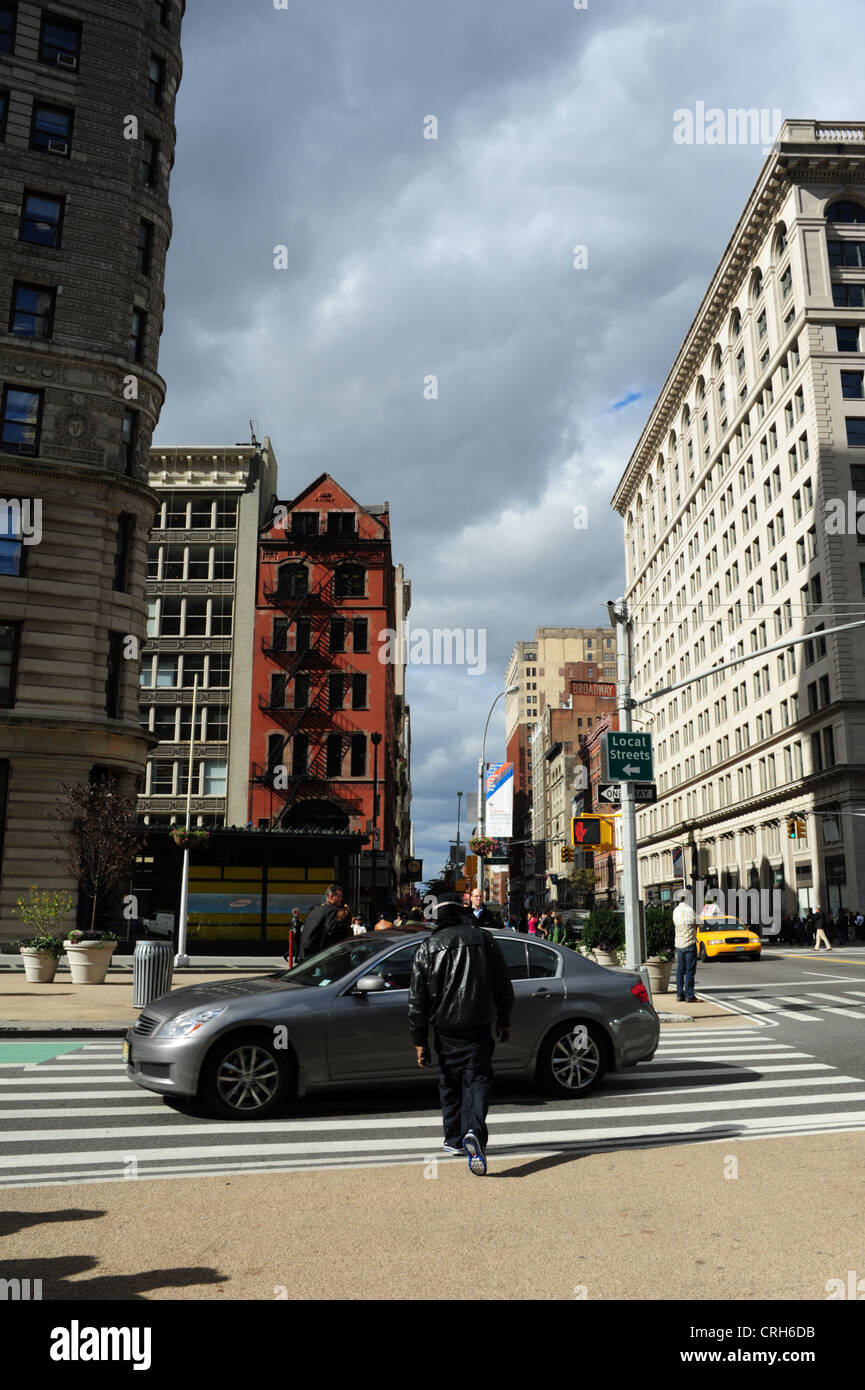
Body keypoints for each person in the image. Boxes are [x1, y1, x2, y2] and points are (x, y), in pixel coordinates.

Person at [408, 900, 513, 1177]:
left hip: (444, 1028)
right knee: (477, 1079)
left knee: (449, 1081)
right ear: (461, 916)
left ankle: (453, 1139)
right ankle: (473, 1132)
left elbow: (417, 999)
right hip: (478, 1025)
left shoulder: (428, 947)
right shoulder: (484, 940)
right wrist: (503, 1019)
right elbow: (502, 982)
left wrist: (420, 1039)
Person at [300, 883, 343, 960]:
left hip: (304, 951)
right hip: (317, 954)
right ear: (331, 897)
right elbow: (331, 930)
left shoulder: (316, 908)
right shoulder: (331, 910)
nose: (341, 899)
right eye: (339, 896)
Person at [673, 898, 698, 1002]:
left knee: (680, 970)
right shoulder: (690, 910)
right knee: (689, 971)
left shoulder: (675, 910)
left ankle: (679, 995)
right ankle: (689, 995)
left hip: (679, 943)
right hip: (689, 942)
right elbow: (700, 923)